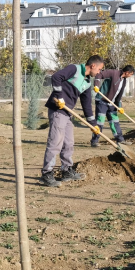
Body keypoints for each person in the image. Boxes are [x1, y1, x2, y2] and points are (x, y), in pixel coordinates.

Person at [40, 55, 105, 187]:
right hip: (58, 110)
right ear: (93, 66)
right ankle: (47, 173)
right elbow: (56, 77)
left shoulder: (87, 83)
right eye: (99, 69)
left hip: (68, 113)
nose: (99, 72)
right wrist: (59, 96)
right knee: (55, 142)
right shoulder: (74, 69)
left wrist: (93, 124)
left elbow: (87, 106)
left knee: (68, 143)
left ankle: (66, 170)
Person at [92, 64, 135, 147]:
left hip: (111, 103)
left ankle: (120, 140)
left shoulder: (124, 80)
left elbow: (119, 95)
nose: (130, 76)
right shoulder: (113, 73)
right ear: (127, 72)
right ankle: (94, 141)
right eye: (131, 74)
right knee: (100, 121)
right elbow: (99, 74)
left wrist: (119, 106)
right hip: (102, 100)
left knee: (115, 121)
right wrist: (96, 85)